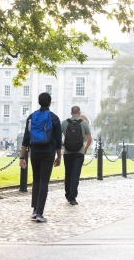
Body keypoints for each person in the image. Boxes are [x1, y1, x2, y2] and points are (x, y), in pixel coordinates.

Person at [19, 92, 62, 223]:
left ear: (39, 102)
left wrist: (22, 157)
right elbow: (58, 140)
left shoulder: (31, 117)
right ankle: (39, 213)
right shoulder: (54, 118)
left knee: (36, 180)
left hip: (35, 152)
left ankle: (34, 210)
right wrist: (59, 156)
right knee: (44, 181)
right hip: (48, 152)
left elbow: (26, 139)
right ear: (50, 103)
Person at [61, 106, 92, 205]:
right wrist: (85, 149)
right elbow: (89, 139)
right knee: (75, 175)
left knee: (68, 174)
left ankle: (67, 194)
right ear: (79, 113)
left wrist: (63, 144)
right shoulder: (84, 123)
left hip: (67, 152)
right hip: (79, 152)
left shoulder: (65, 123)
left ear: (71, 112)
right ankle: (72, 197)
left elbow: (57, 137)